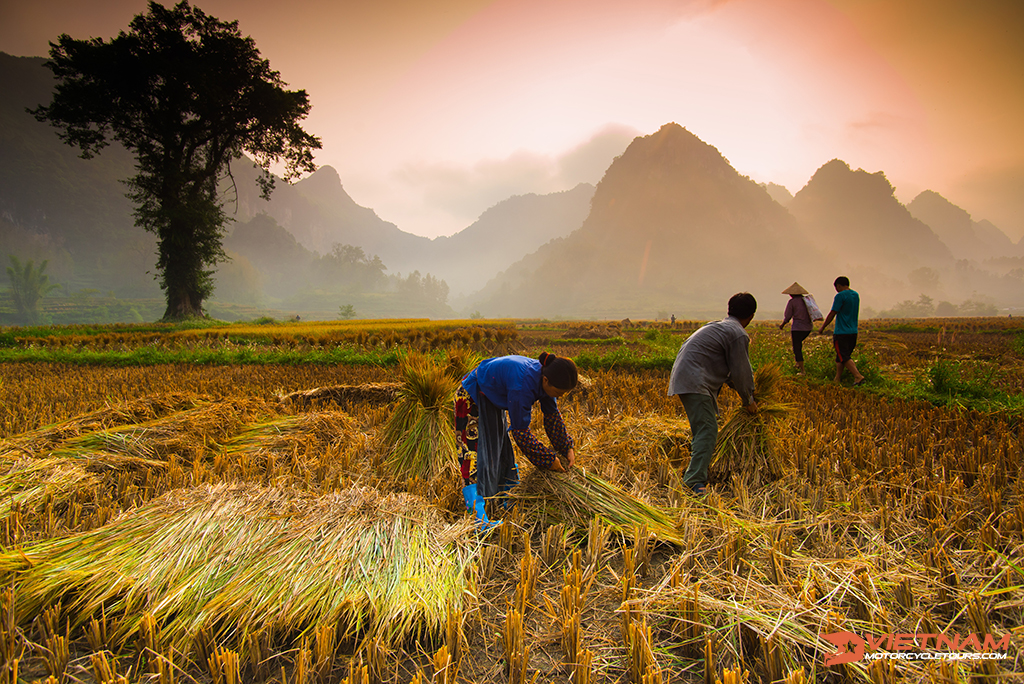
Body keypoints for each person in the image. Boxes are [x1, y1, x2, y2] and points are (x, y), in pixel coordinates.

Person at [455, 352, 578, 526]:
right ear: (546, 381)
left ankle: (506, 501)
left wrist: (567, 448)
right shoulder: (522, 385)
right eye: (558, 392)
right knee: (472, 454)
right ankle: (477, 518)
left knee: (501, 449)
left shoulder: (546, 378)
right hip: (472, 395)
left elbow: (552, 416)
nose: (558, 396)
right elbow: (521, 433)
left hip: (492, 398)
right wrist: (549, 460)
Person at [668, 293, 759, 495]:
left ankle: (696, 470)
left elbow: (730, 374)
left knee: (704, 428)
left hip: (688, 377)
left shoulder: (719, 327)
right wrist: (749, 400)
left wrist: (744, 391)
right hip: (694, 380)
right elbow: (741, 372)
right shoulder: (737, 333)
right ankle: (694, 481)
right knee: (708, 429)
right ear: (751, 316)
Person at [818, 276, 866, 386]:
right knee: (840, 356)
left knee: (843, 356)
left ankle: (858, 376)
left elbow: (833, 312)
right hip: (853, 331)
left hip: (841, 332)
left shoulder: (840, 296)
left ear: (838, 286)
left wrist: (823, 326)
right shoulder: (855, 295)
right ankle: (837, 378)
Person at [778, 282, 813, 374]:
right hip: (808, 328)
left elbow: (788, 316)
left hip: (798, 328)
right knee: (799, 344)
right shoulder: (807, 301)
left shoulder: (792, 302)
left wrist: (782, 325)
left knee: (797, 348)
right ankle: (798, 363)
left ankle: (802, 371)